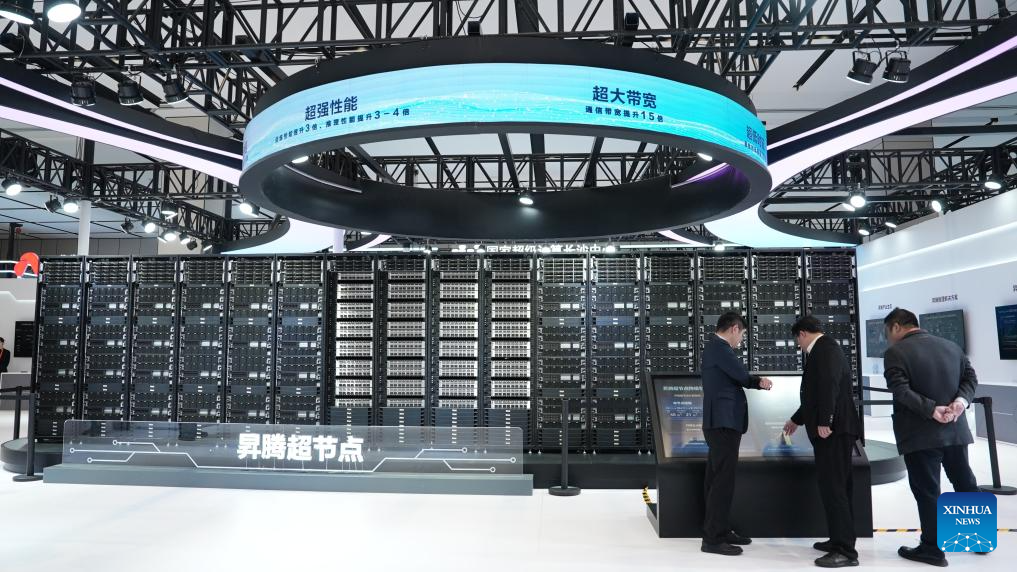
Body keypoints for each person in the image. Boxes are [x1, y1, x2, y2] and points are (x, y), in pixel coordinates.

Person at [881, 308, 980, 567]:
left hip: (920, 434)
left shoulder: (896, 353)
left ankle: (932, 549)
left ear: (896, 327)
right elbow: (970, 378)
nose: (887, 338)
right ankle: (977, 540)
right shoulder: (951, 346)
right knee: (965, 482)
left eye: (887, 332)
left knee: (927, 490)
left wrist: (931, 410)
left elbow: (901, 391)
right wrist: (959, 403)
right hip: (955, 429)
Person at [784, 316, 862, 568]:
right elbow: (815, 395)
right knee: (836, 487)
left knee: (835, 488)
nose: (799, 346)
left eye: (797, 340)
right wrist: (796, 419)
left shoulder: (825, 349)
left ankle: (845, 551)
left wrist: (825, 420)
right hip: (836, 429)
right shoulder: (827, 348)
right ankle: (839, 540)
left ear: (803, 333)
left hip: (833, 431)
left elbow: (829, 386)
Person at [700, 312, 773, 556]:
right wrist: (759, 381)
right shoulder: (721, 348)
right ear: (734, 328)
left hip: (719, 423)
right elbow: (741, 375)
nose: (740, 339)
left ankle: (719, 530)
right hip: (723, 423)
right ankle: (713, 539)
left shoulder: (714, 348)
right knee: (722, 482)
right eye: (741, 334)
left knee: (716, 479)